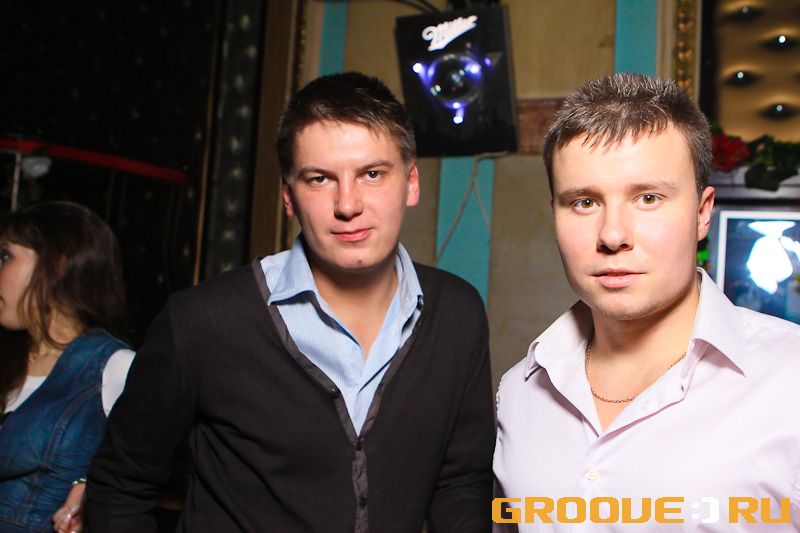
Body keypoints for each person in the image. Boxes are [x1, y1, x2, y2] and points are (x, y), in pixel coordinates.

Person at [86, 71, 494, 532]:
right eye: (320, 179)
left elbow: (461, 482)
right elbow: (119, 486)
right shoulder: (203, 322)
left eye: (372, 174)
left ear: (411, 182)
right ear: (288, 197)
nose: (348, 204)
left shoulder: (457, 314)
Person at [493, 73, 800, 531]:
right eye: (584, 202)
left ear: (702, 212)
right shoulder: (520, 392)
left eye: (648, 198)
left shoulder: (790, 381)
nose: (613, 235)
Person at [0, 201, 134, 533]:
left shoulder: (112, 367)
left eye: (5, 257)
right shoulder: (10, 357)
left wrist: (92, 488)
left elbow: (145, 471)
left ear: (58, 267)